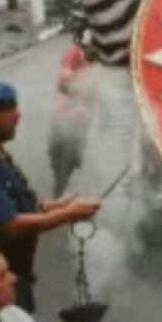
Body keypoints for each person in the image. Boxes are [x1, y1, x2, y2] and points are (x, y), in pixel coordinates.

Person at [0, 81, 100, 313]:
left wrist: (56, 206)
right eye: (11, 109)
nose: (18, 115)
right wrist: (70, 214)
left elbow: (12, 204)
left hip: (9, 273)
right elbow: (11, 224)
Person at [48, 31, 95, 199]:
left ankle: (63, 192)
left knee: (74, 160)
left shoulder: (101, 62)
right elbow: (63, 82)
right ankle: (58, 194)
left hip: (82, 121)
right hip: (63, 117)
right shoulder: (73, 53)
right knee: (59, 160)